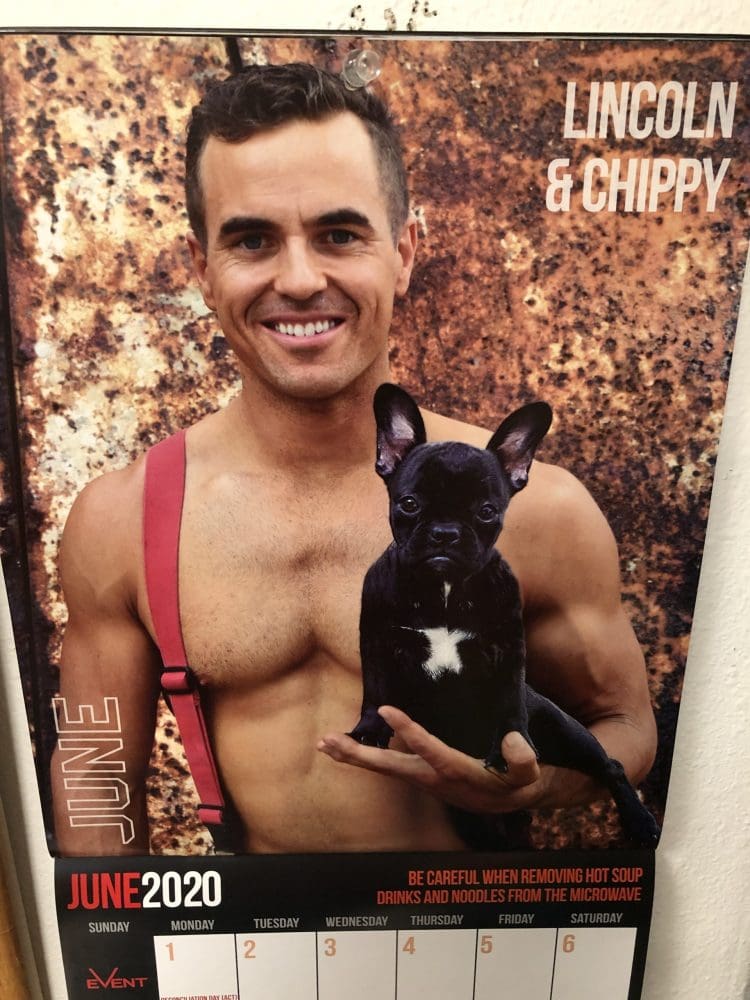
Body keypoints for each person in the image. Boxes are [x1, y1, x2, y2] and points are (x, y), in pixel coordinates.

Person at [50, 62, 656, 856]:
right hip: (255, 931)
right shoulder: (122, 521)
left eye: (339, 234)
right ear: (201, 268)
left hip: (471, 927)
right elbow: (96, 781)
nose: (301, 280)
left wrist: (538, 784)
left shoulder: (542, 510)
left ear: (404, 252)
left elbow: (626, 726)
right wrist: (115, 934)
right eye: (252, 240)